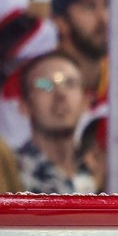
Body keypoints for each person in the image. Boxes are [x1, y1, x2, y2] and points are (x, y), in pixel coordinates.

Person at [0, 0, 118, 148]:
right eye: (89, 7)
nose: (105, 19)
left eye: (108, 5)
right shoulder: (33, 85)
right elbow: (14, 170)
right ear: (60, 21)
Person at [15, 51, 95, 194]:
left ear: (86, 102)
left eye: (70, 84)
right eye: (45, 85)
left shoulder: (101, 169)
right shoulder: (10, 172)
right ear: (24, 106)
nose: (61, 94)